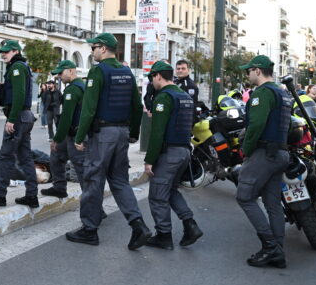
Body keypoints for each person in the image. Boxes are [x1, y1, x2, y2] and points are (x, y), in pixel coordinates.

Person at [66, 32, 151, 249]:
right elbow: (135, 105)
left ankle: (89, 229)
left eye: (94, 47)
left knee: (94, 179)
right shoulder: (126, 72)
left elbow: (89, 108)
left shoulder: (98, 71)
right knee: (120, 181)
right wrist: (133, 132)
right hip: (122, 133)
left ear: (103, 48)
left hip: (103, 134)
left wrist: (79, 136)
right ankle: (138, 225)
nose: (92, 51)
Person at [237, 55, 292, 268]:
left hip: (264, 153)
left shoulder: (263, 93)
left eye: (248, 71)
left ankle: (270, 247)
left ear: (258, 71)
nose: (247, 74)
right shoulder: (282, 92)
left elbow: (256, 125)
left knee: (244, 197)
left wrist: (246, 150)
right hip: (280, 153)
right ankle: (277, 251)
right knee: (272, 203)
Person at [143, 61, 203, 250]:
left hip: (169, 153)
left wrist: (149, 160)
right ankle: (190, 225)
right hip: (184, 151)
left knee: (157, 195)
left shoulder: (164, 97)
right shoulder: (184, 95)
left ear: (158, 76)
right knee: (170, 191)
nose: (152, 81)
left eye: (152, 77)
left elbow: (158, 132)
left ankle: (164, 235)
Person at [0, 40, 38, 209]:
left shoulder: (18, 67)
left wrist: (11, 119)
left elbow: (19, 95)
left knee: (5, 157)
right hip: (24, 117)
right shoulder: (18, 67)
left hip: (18, 117)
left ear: (15, 51)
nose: (3, 54)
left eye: (6, 51)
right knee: (25, 157)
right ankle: (31, 195)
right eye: (2, 52)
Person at [43, 60, 83, 199]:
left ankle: (95, 207)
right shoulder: (80, 86)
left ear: (71, 71)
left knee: (80, 169)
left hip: (75, 135)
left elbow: (66, 118)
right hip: (71, 134)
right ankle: (59, 187)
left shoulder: (73, 89)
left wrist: (56, 138)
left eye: (61, 73)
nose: (59, 76)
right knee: (56, 156)